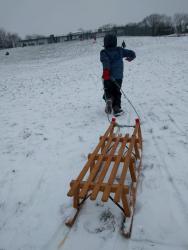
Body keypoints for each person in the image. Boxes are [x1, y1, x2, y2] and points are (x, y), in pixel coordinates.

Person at [100, 34, 136, 116]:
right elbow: (131, 53)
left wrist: (106, 72)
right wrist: (131, 57)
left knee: (107, 91)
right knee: (117, 92)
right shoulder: (120, 50)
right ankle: (116, 108)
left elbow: (106, 62)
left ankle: (109, 99)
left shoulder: (104, 52)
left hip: (107, 76)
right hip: (119, 77)